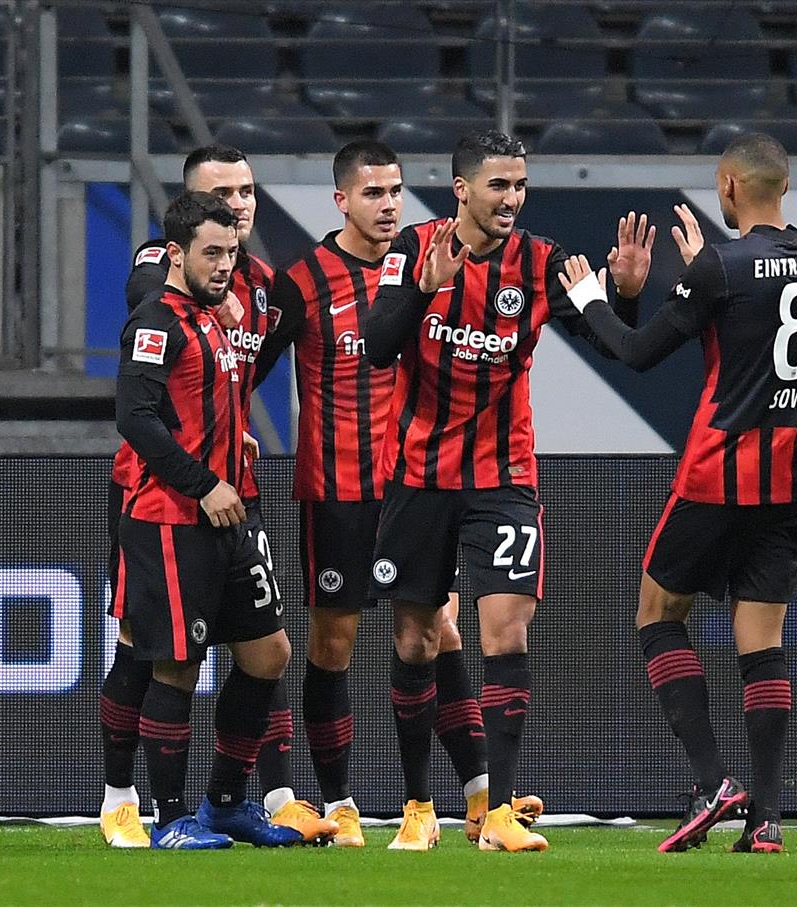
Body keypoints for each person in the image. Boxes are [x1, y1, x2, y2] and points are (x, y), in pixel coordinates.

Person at [363, 130, 650, 852]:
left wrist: (628, 294)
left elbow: (616, 344)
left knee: (506, 631)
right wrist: (424, 289)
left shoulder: (544, 263)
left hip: (504, 476)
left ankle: (497, 813)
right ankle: (419, 804)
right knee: (415, 637)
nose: (512, 199)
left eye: (520, 185)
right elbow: (376, 345)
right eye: (498, 185)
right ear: (462, 189)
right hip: (420, 474)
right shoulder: (414, 249)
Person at [558, 134, 797, 855]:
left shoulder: (721, 266)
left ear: (727, 185)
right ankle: (768, 818)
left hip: (720, 473)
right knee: (762, 638)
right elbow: (752, 318)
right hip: (792, 476)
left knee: (658, 614)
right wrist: (706, 278)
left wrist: (592, 297)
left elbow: (638, 352)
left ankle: (714, 779)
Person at [257, 140, 528, 847]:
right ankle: (341, 803)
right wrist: (227, 437)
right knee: (335, 641)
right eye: (373, 193)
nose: (388, 206)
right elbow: (244, 370)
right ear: (341, 200)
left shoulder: (439, 260)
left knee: (440, 629)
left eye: (397, 191)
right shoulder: (304, 282)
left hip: (421, 481)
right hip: (341, 486)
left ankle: (478, 794)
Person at [101, 146, 335, 846]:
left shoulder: (237, 299)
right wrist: (204, 479)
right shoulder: (159, 307)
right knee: (165, 657)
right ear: (180, 249)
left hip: (235, 504)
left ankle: (229, 801)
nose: (225, 260)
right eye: (211, 249)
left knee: (268, 653)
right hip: (170, 511)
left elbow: (229, 382)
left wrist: (232, 438)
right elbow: (134, 415)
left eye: (231, 250)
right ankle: (156, 813)